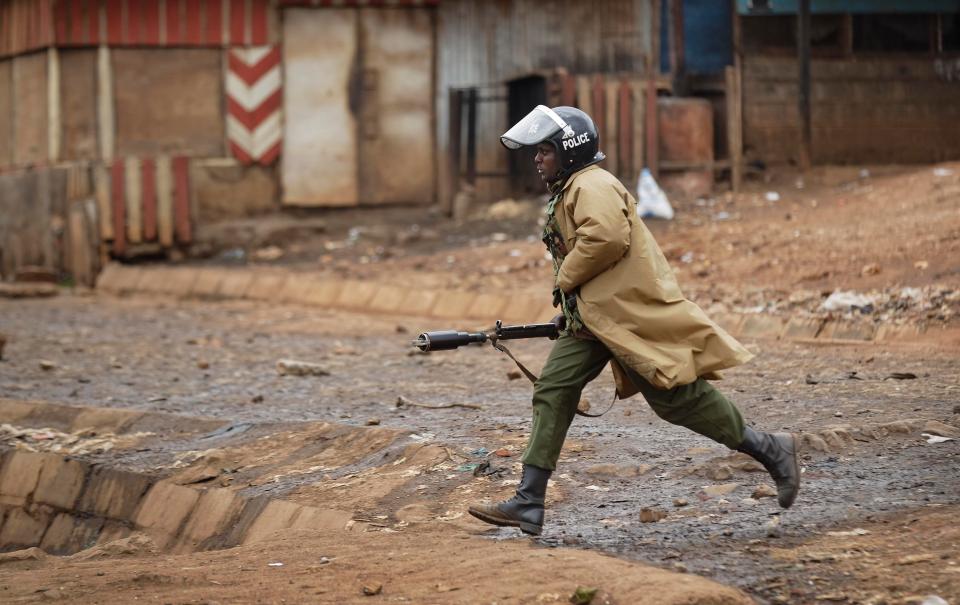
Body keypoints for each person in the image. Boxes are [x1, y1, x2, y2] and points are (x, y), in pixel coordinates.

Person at [467, 105, 799, 537]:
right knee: (554, 389)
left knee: (676, 399)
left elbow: (605, 237)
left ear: (568, 152)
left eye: (545, 150)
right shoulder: (573, 188)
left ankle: (772, 449)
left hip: (625, 317)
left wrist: (566, 281)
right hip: (596, 319)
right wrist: (571, 307)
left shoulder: (592, 184)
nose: (536, 158)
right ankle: (529, 501)